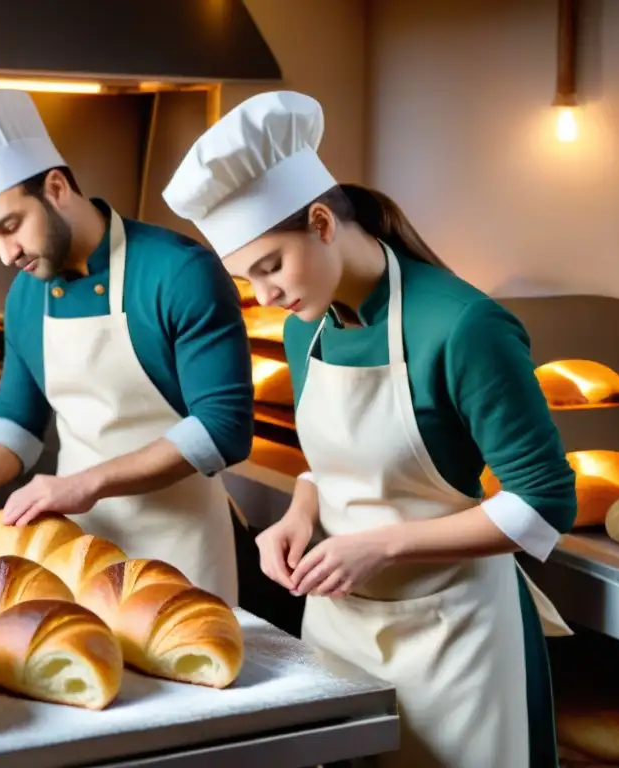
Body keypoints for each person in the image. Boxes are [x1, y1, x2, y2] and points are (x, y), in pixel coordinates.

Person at [161, 90, 577, 767]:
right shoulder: (308, 328)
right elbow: (336, 458)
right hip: (343, 630)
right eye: (248, 278)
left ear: (322, 222)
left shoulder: (462, 326)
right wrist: (299, 514)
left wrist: (383, 545)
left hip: (458, 640)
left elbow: (543, 502)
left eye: (270, 267)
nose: (265, 297)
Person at [0, 89, 255, 606]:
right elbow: (17, 421)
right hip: (73, 546)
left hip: (181, 546)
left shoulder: (179, 271)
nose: (7, 254)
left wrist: (88, 482)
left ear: (56, 187)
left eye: (11, 227)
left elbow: (224, 428)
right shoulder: (25, 296)